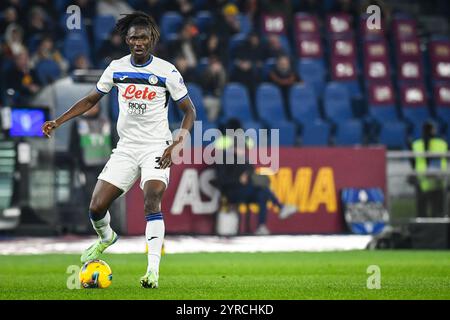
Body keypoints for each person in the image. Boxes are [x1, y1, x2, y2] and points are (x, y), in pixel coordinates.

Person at [42, 12, 196, 289]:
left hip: (156, 148)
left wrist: (177, 143)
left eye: (144, 37)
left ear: (152, 40)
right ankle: (106, 238)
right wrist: (58, 121)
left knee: (152, 200)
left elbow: (189, 111)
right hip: (126, 148)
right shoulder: (116, 68)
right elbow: (91, 99)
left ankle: (152, 272)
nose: (139, 42)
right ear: (127, 40)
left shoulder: (166, 71)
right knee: (96, 207)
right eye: (134, 37)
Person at [214, 119, 297, 235]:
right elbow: (221, 180)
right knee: (262, 187)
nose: (243, 149)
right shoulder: (222, 158)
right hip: (231, 192)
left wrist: (246, 175)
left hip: (244, 190)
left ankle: (261, 227)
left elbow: (250, 169)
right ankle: (280, 207)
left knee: (262, 193)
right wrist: (238, 180)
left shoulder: (243, 160)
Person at [69, 103, 112, 232]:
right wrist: (77, 164)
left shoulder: (106, 122)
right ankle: (88, 226)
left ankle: (108, 226)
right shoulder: (78, 123)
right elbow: (73, 145)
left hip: (105, 167)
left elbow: (114, 141)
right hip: (86, 167)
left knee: (106, 198)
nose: (91, 109)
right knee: (88, 196)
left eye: (95, 106)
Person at [410, 121, 448, 217]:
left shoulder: (416, 144)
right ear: (433, 130)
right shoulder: (442, 143)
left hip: (422, 181)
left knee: (422, 212)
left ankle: (423, 230)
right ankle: (439, 230)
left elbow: (412, 163)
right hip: (438, 180)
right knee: (438, 212)